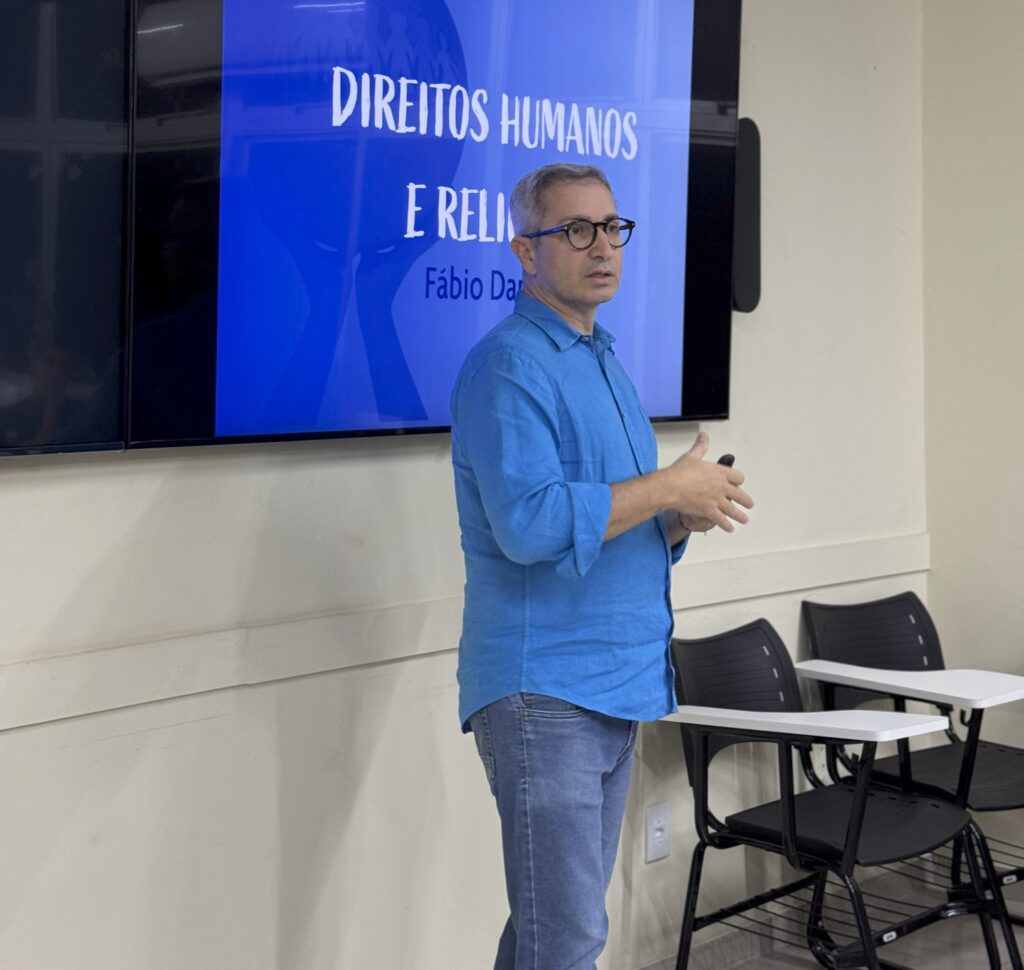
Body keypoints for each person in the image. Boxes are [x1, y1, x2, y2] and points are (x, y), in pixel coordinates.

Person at [450, 162, 753, 970]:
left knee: (546, 934)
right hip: (545, 691)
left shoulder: (602, 360)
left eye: (612, 228)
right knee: (569, 941)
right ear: (525, 251)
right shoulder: (508, 365)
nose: (603, 247)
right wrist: (666, 488)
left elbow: (616, 517)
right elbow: (530, 525)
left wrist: (678, 517)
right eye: (576, 230)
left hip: (615, 685)